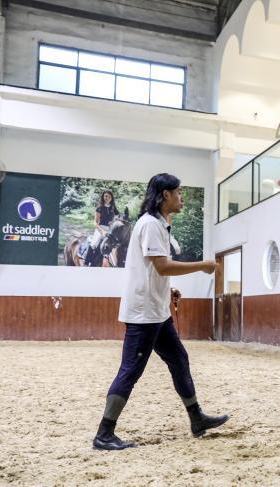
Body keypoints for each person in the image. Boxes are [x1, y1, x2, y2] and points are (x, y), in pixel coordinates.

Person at [92, 173, 229, 451]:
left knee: (179, 359)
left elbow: (152, 270)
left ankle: (196, 418)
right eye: (178, 192)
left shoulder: (158, 225)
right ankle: (104, 434)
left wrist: (167, 291)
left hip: (157, 312)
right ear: (165, 195)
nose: (181, 198)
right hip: (144, 315)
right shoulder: (151, 225)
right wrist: (202, 265)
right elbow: (163, 266)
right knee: (130, 370)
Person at [85, 190, 119, 267]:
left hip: (110, 229)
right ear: (103, 197)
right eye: (105, 196)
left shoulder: (113, 207)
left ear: (111, 198)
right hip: (100, 228)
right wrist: (102, 231)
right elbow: (95, 222)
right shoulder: (99, 207)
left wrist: (113, 221)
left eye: (109, 197)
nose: (107, 198)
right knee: (94, 243)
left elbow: (118, 216)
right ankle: (88, 262)